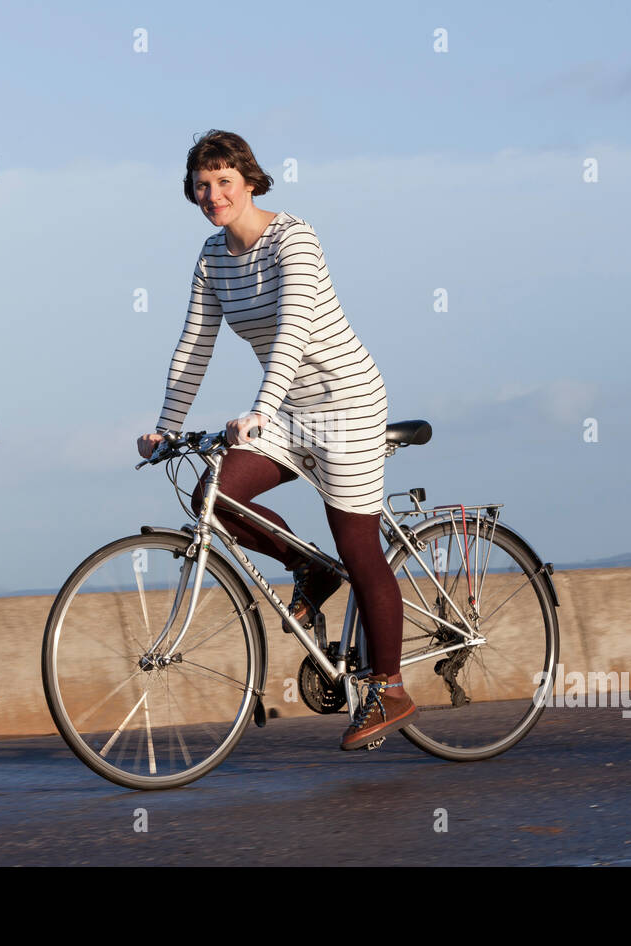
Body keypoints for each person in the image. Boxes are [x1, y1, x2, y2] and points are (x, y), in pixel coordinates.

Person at [136, 129, 415, 751]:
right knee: (215, 492)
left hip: (346, 402)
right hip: (288, 409)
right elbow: (193, 347)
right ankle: (309, 570)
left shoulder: (296, 238)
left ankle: (390, 687)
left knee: (359, 545)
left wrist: (260, 409)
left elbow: (291, 331)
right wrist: (167, 426)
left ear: (250, 181)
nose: (213, 195)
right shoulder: (212, 258)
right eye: (202, 186)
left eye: (224, 182)